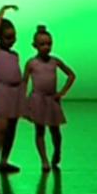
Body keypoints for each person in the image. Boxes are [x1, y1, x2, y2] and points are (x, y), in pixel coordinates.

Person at [23, 25, 76, 171]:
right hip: (37, 99)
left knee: (55, 131)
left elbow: (71, 75)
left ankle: (57, 151)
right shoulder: (31, 63)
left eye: (49, 43)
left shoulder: (55, 61)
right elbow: (24, 82)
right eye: (42, 44)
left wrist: (62, 92)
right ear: (35, 46)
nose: (46, 47)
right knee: (40, 131)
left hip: (52, 99)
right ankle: (44, 160)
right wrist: (22, 101)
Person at [0, 5, 22, 175]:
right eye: (8, 37)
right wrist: (3, 10)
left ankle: (4, 161)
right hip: (2, 92)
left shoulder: (15, 55)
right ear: (0, 37)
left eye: (14, 37)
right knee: (1, 127)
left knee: (12, 128)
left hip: (15, 93)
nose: (12, 40)